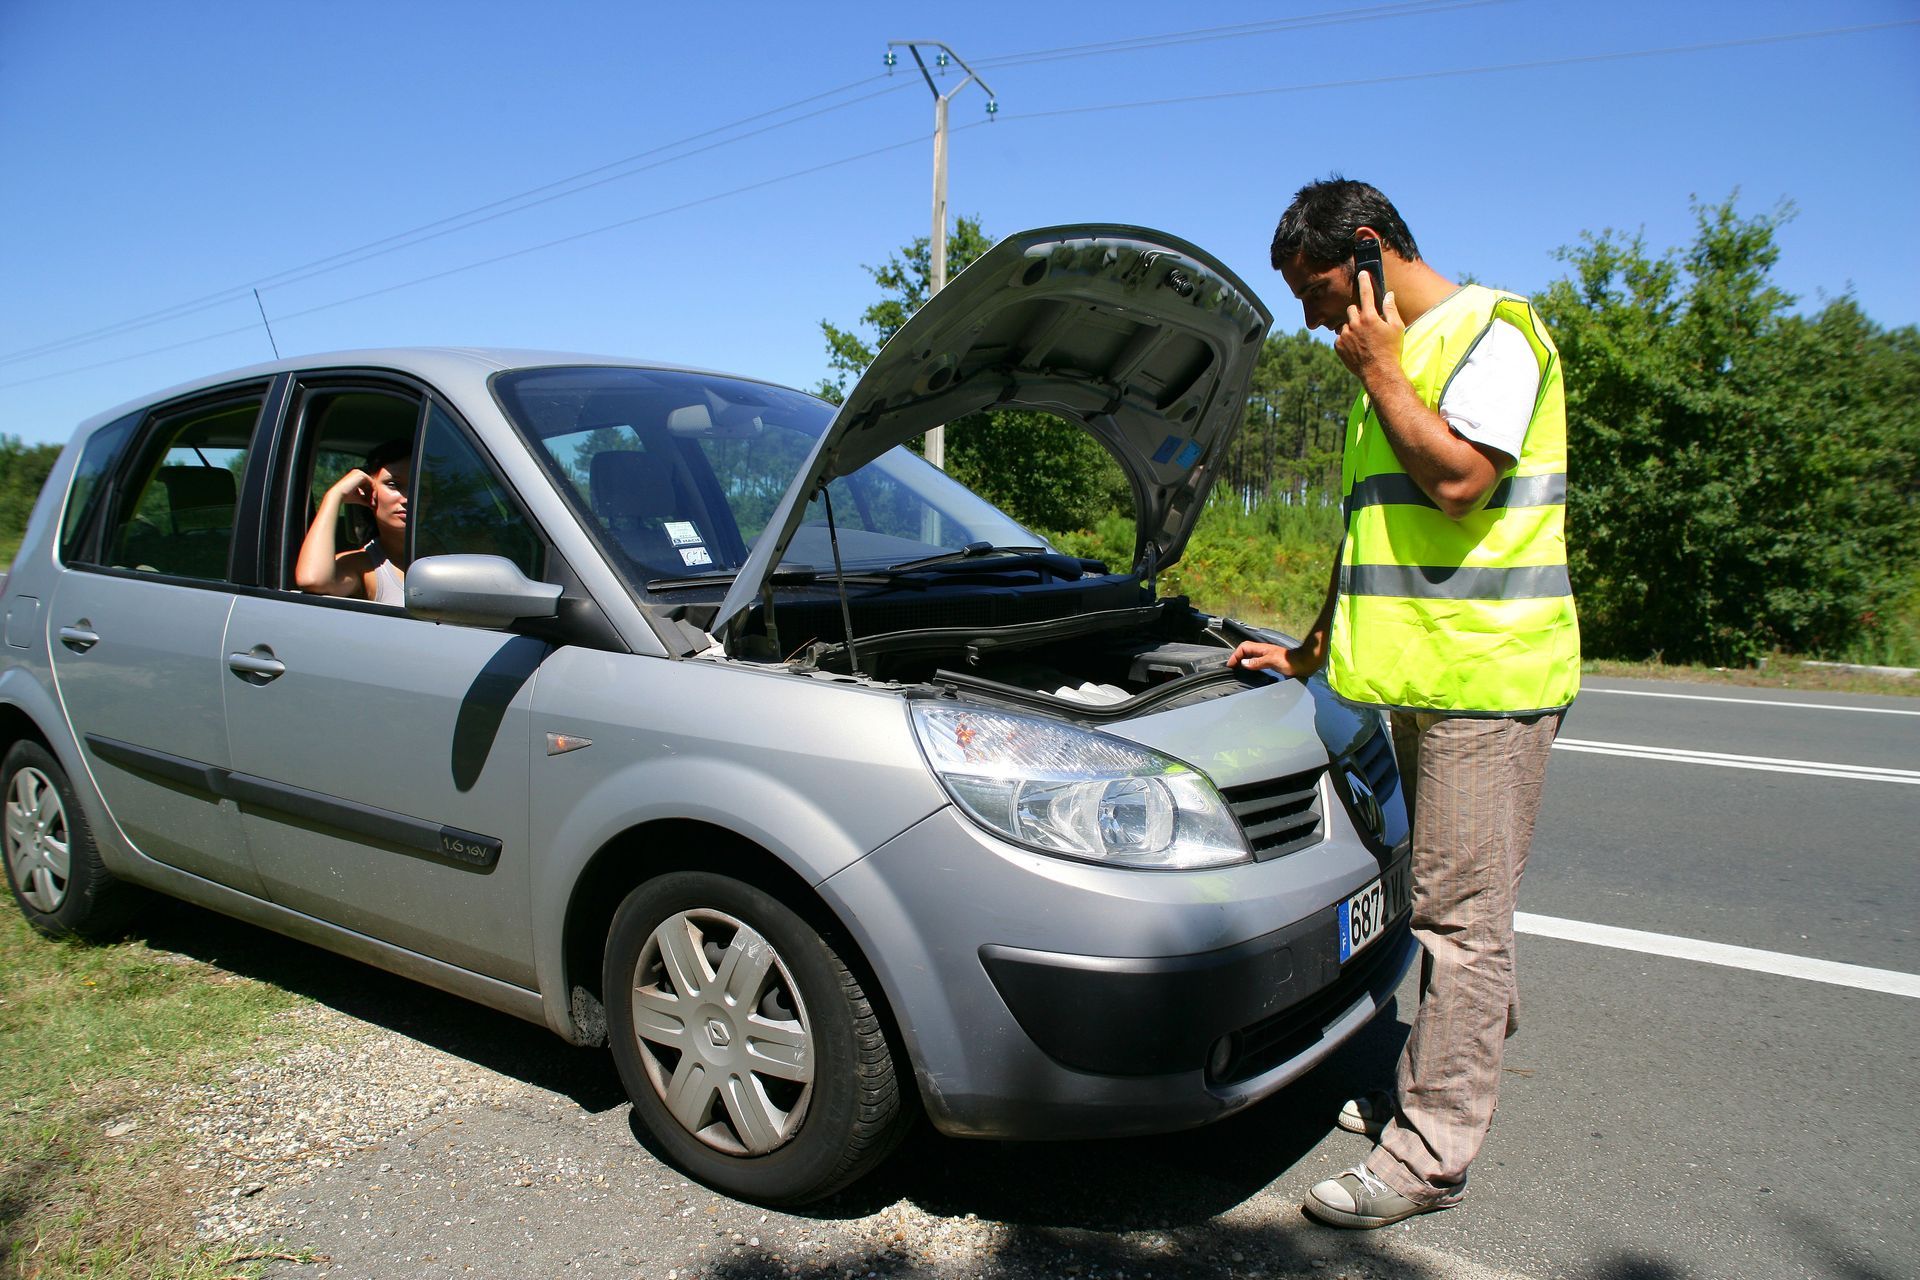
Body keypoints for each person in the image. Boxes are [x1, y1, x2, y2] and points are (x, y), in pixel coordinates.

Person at [1229, 178, 1579, 1229]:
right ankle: (1442, 1071)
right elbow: (1372, 529)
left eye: (1320, 286)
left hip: (1486, 680)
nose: (1312, 316)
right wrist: (1310, 650)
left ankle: (1427, 1154)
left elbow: (1462, 480)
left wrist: (1379, 368)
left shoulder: (1492, 334)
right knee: (1450, 906)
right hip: (1419, 683)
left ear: (1370, 248)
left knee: (1462, 926)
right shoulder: (1390, 366)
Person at [295, 440, 411, 604]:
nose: (408, 498)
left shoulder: (451, 552)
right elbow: (313, 580)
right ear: (370, 490)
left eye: (420, 487)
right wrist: (335, 495)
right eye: (393, 485)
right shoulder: (364, 566)